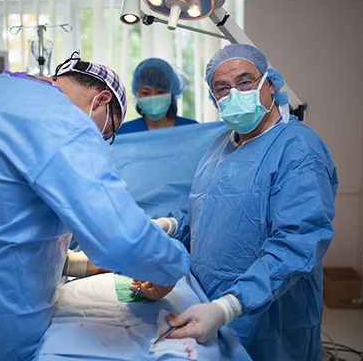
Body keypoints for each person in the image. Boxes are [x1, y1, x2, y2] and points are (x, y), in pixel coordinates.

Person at [0, 51, 190, 360]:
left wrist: (76, 263)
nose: (101, 139)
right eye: (107, 132)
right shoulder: (64, 122)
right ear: (102, 99)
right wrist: (173, 265)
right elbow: (120, 237)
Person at [131, 44, 338, 361]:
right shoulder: (220, 146)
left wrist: (227, 306)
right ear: (214, 99)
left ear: (269, 84)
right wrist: (169, 226)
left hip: (270, 317)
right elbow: (209, 212)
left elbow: (299, 243)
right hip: (208, 305)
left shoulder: (297, 148)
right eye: (222, 88)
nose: (234, 92)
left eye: (245, 82)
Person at [116, 57, 198, 134]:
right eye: (145, 93)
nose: (153, 98)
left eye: (160, 92)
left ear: (171, 94)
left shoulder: (193, 130)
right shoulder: (123, 133)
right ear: (137, 94)